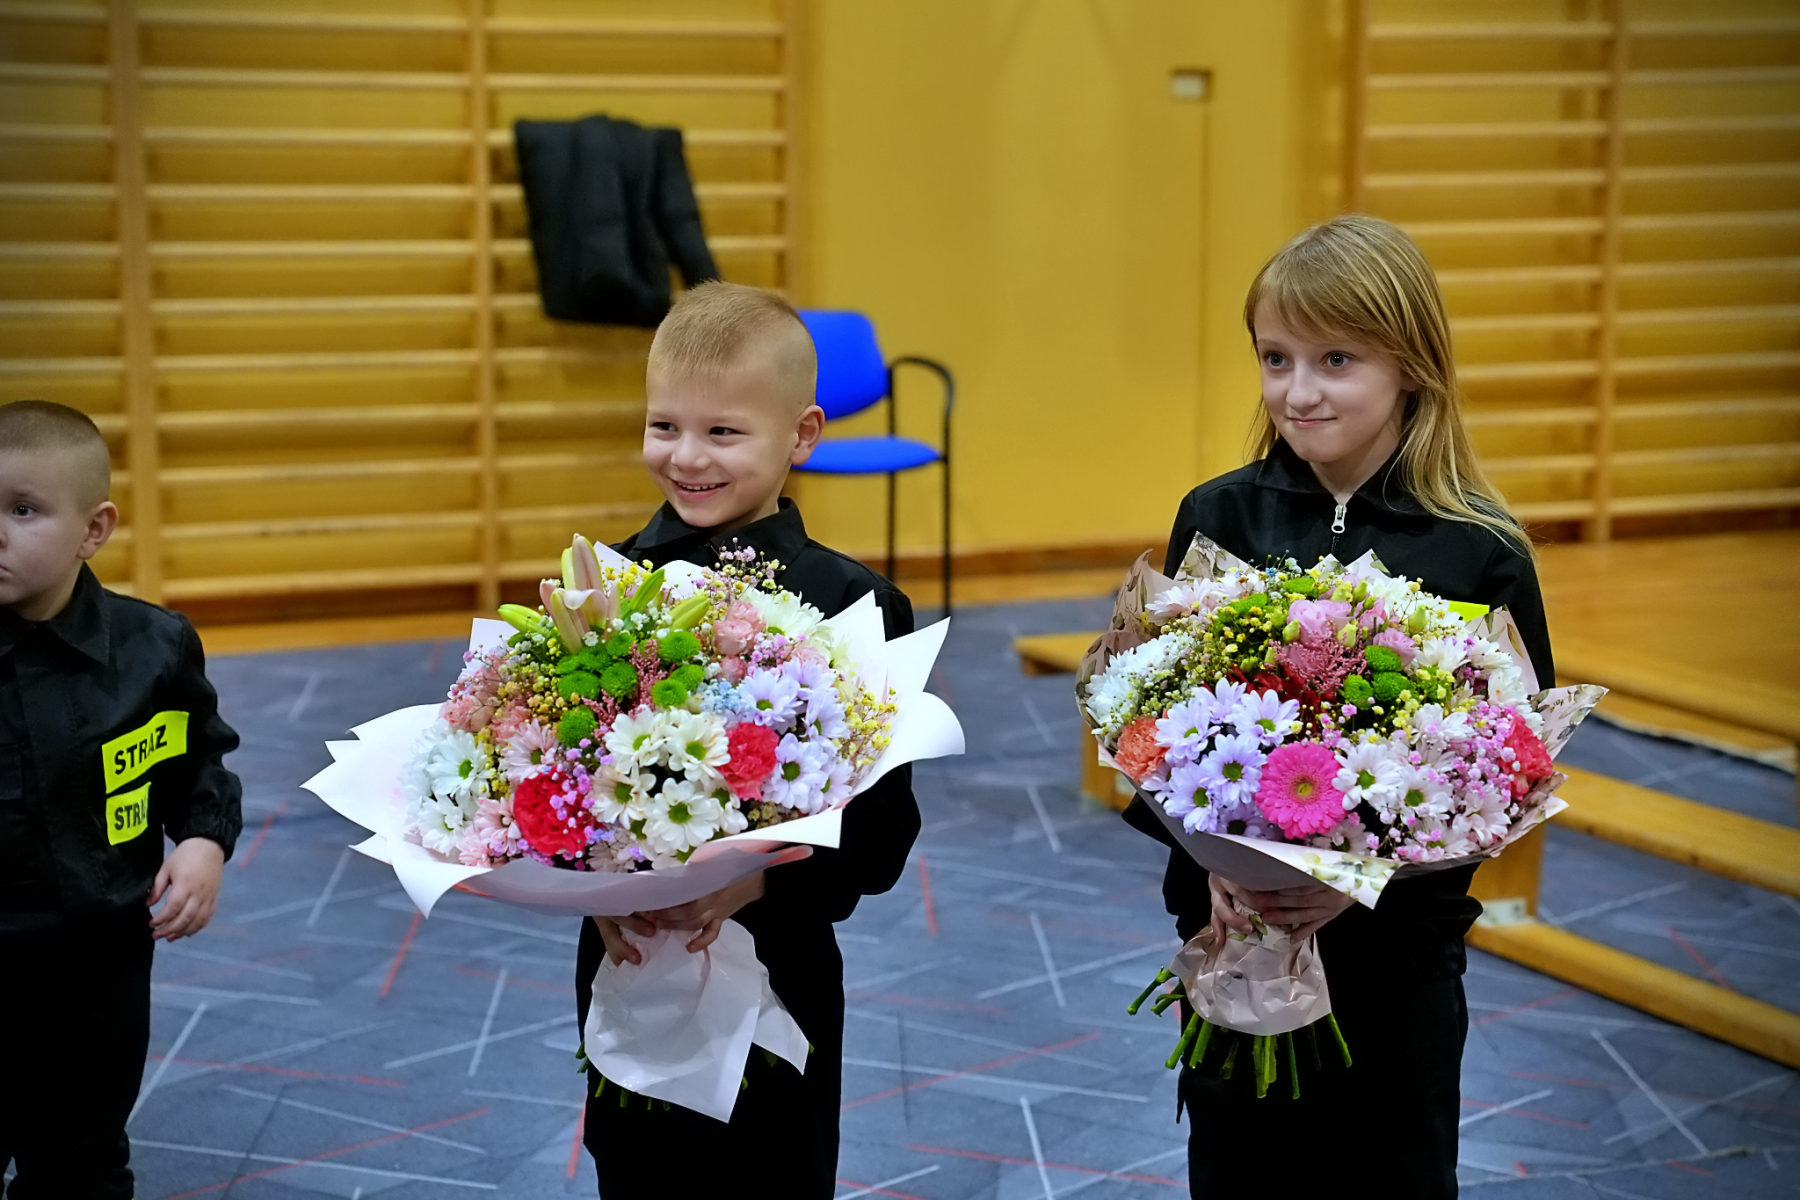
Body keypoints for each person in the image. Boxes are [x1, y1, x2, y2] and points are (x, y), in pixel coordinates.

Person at [1123, 216, 1553, 1200]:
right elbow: (1151, 724)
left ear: (1412, 366)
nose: (1298, 391)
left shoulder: (1478, 551)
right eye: (1276, 358)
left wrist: (1362, 883)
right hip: (1235, 935)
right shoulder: (1220, 516)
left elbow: (1507, 769)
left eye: (1336, 360)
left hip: (1392, 963)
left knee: (1388, 1175)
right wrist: (1213, 863)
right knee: (1237, 1170)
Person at [574, 282, 922, 1196]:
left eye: (723, 432)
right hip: (624, 959)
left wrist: (757, 880)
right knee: (635, 1175)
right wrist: (590, 887)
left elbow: (883, 833)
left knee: (772, 1174)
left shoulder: (853, 606)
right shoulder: (605, 588)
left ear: (802, 435)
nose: (687, 456)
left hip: (778, 962)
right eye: (664, 426)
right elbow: (561, 788)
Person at [0, 400, 243, 1199]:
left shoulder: (153, 648)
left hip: (96, 955)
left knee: (80, 1155)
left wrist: (203, 840)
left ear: (93, 529)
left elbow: (197, 756)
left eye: (22, 510)